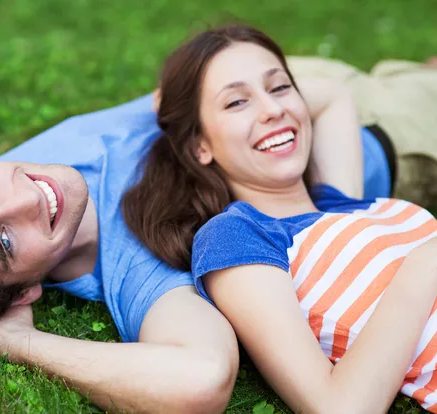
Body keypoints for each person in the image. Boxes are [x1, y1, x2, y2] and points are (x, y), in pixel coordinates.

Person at [0, 27, 434, 414]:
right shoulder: (141, 268)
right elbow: (199, 378)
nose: (23, 196)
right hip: (403, 143)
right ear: (21, 292)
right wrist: (20, 342)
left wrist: (341, 213)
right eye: (4, 239)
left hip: (268, 86)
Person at [123, 24, 437, 412]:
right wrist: (422, 266)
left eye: (280, 87)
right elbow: (338, 407)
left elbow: (334, 96)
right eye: (236, 103)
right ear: (199, 145)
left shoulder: (345, 203)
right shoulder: (238, 235)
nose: (273, 110)